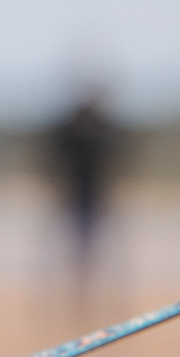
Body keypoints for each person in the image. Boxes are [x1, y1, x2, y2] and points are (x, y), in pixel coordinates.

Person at [44, 84, 119, 319]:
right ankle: (65, 302)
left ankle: (92, 301)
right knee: (63, 250)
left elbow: (114, 160)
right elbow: (53, 157)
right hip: (71, 195)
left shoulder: (103, 128)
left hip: (94, 196)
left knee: (96, 250)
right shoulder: (68, 127)